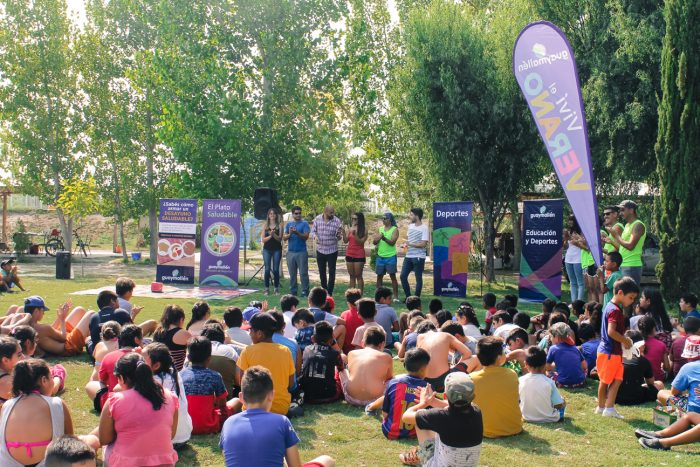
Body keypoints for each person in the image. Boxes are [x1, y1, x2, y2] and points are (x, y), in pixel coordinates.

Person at [220, 366, 335, 467]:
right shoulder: (282, 422)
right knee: (327, 460)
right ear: (271, 395)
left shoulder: (228, 423)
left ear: (241, 397)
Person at [0, 359, 87, 467]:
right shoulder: (57, 404)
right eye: (51, 377)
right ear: (44, 380)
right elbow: (70, 442)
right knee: (90, 441)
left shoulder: (7, 405)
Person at [98, 353, 178, 467]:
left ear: (121, 378)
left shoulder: (114, 401)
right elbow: (171, 434)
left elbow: (104, 440)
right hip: (164, 463)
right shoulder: (170, 397)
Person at [399, 372, 483, 466]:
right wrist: (432, 401)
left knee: (419, 416)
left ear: (445, 396)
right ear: (473, 397)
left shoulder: (440, 416)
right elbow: (460, 405)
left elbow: (406, 417)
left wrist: (423, 403)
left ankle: (421, 457)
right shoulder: (477, 411)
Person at [237, 313, 296, 416]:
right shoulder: (285, 351)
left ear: (259, 333)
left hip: (252, 408)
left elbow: (242, 383)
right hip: (281, 408)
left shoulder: (247, 351)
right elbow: (290, 384)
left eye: (251, 330)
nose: (249, 334)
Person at [595, 276, 638, 418]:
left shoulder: (610, 306)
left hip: (614, 352)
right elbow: (611, 332)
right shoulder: (614, 310)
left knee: (618, 379)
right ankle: (601, 407)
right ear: (620, 293)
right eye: (631, 298)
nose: (632, 301)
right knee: (605, 380)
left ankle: (609, 408)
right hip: (609, 352)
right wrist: (625, 340)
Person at [368, 348, 429, 439]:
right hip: (414, 433)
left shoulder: (393, 383)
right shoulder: (427, 388)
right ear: (423, 369)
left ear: (405, 365)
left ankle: (370, 408)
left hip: (389, 432)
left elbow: (385, 413)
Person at [470, 336, 522, 438]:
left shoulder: (471, 379)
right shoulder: (512, 374)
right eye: (503, 352)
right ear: (499, 358)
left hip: (484, 430)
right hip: (514, 427)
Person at [142, 342, 192, 447]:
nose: (138, 363)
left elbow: (118, 388)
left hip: (169, 441)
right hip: (183, 436)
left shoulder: (153, 381)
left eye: (142, 361)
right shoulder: (173, 373)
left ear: (156, 366)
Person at [85, 324, 142, 412]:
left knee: (91, 385)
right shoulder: (145, 357)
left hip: (115, 403)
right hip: (143, 402)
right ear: (137, 340)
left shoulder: (109, 356)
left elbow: (102, 380)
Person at [180, 336, 230, 434]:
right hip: (209, 426)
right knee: (236, 401)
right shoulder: (215, 376)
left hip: (185, 426)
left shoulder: (180, 375)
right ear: (209, 359)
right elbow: (222, 404)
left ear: (189, 358)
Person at [339, 327, 393, 407]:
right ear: (382, 344)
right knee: (394, 380)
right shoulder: (387, 357)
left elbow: (351, 373)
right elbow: (389, 379)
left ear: (362, 343)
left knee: (343, 371)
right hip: (376, 400)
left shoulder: (351, 353)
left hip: (351, 397)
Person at [27, 297, 95, 357]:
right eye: (42, 310)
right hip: (69, 347)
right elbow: (63, 338)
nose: (44, 313)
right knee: (91, 314)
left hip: (63, 339)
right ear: (36, 311)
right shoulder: (41, 328)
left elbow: (50, 331)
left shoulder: (28, 325)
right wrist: (62, 320)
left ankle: (89, 338)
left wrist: (60, 317)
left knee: (79, 310)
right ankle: (94, 342)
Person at [416, 321, 473, 393]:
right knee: (474, 358)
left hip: (426, 382)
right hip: (444, 381)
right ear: (436, 329)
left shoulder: (419, 337)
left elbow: (417, 360)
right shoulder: (446, 335)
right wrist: (456, 365)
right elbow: (468, 353)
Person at [300, 321, 343, 403]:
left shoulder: (307, 349)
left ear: (312, 338)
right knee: (339, 373)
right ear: (331, 339)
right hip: (329, 395)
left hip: (307, 394)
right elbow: (341, 368)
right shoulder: (335, 353)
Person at [616, 331, 664, 405]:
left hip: (615, 397)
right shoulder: (642, 360)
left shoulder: (617, 356)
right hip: (635, 398)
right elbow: (650, 383)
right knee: (659, 384)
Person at [605, 200, 647, 286]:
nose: (620, 213)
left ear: (631, 210)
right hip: (624, 264)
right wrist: (612, 242)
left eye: (623, 210)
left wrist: (616, 235)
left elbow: (630, 246)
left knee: (630, 295)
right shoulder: (627, 225)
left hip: (631, 265)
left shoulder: (638, 225)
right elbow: (622, 247)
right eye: (620, 210)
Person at [519, 347, 566, 423]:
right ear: (544, 365)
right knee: (562, 400)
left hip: (526, 417)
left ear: (526, 364)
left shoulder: (520, 380)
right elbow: (558, 404)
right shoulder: (549, 382)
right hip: (550, 418)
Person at [657, 335, 700, 415]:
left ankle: (673, 411)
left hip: (693, 411)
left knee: (662, 393)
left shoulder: (688, 367)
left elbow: (674, 392)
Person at [311, 205, 343, 297]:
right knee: (322, 271)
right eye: (331, 212)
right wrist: (315, 236)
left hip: (332, 250)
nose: (332, 214)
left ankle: (330, 292)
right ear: (325, 211)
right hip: (320, 249)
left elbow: (338, 236)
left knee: (332, 271)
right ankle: (324, 290)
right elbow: (313, 231)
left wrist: (339, 235)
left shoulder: (337, 221)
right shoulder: (317, 219)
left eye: (333, 212)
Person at [202, 322, 239, 398]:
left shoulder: (196, 351)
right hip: (226, 399)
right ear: (222, 337)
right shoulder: (230, 351)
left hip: (197, 401)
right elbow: (238, 381)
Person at [546, 322, 586, 388]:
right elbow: (585, 366)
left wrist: (554, 365)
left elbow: (547, 367)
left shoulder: (553, 348)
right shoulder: (575, 348)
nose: (550, 339)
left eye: (551, 337)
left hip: (563, 383)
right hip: (581, 382)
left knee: (547, 372)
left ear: (556, 337)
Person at [400, 207, 429, 298]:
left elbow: (423, 244)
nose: (410, 216)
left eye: (412, 214)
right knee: (402, 276)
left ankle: (416, 299)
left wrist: (410, 244)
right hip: (409, 256)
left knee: (418, 279)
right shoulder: (410, 226)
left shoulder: (424, 228)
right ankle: (408, 297)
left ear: (417, 216)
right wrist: (405, 245)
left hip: (419, 257)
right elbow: (409, 241)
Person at [153, 304, 192, 371]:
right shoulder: (182, 333)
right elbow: (196, 350)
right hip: (176, 373)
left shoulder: (157, 331)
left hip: (157, 371)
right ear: (181, 319)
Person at [283, 206, 311, 298]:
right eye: (296, 213)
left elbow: (306, 237)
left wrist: (297, 233)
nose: (298, 215)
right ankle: (293, 291)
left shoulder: (305, 223)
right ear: (293, 214)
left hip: (301, 252)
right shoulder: (289, 224)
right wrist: (290, 233)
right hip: (290, 252)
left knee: (303, 273)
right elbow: (284, 238)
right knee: (292, 273)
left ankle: (305, 291)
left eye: (299, 213)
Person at [373, 212, 400, 301]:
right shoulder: (380, 229)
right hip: (380, 256)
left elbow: (392, 242)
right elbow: (374, 242)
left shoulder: (394, 229)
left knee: (392, 276)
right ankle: (378, 297)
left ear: (390, 220)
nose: (383, 220)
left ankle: (395, 297)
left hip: (390, 256)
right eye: (383, 218)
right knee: (379, 276)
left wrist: (383, 238)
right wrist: (378, 238)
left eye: (385, 218)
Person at [638, 315, 671, 381]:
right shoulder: (661, 345)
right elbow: (667, 367)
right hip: (657, 379)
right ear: (654, 328)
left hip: (640, 379)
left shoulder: (636, 345)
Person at [343, 212, 368, 293]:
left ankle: (360, 295)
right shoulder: (350, 228)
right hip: (349, 253)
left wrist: (356, 235)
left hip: (359, 254)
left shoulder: (364, 228)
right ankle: (351, 295)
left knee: (358, 275)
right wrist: (343, 232)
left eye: (355, 219)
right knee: (351, 276)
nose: (353, 220)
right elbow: (346, 241)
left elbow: (361, 242)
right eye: (352, 218)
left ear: (360, 219)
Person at [262, 208, 283, 295]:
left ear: (276, 215)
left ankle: (276, 288)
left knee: (275, 270)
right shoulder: (265, 226)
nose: (272, 215)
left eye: (274, 214)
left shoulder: (280, 225)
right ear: (268, 215)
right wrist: (270, 236)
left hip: (277, 249)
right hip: (267, 249)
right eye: (270, 214)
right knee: (267, 269)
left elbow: (280, 239)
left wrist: (273, 234)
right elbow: (263, 239)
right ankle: (266, 289)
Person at [564, 215, 584, 301]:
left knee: (580, 282)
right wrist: (565, 239)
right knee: (572, 282)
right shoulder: (568, 231)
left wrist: (576, 240)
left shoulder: (582, 231)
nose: (570, 222)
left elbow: (585, 244)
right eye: (569, 220)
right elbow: (565, 246)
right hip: (568, 258)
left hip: (578, 258)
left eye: (572, 220)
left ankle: (579, 302)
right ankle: (573, 302)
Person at [340, 288, 363, 354]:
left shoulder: (344, 314)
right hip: (362, 349)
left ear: (348, 303)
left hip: (346, 350)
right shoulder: (365, 315)